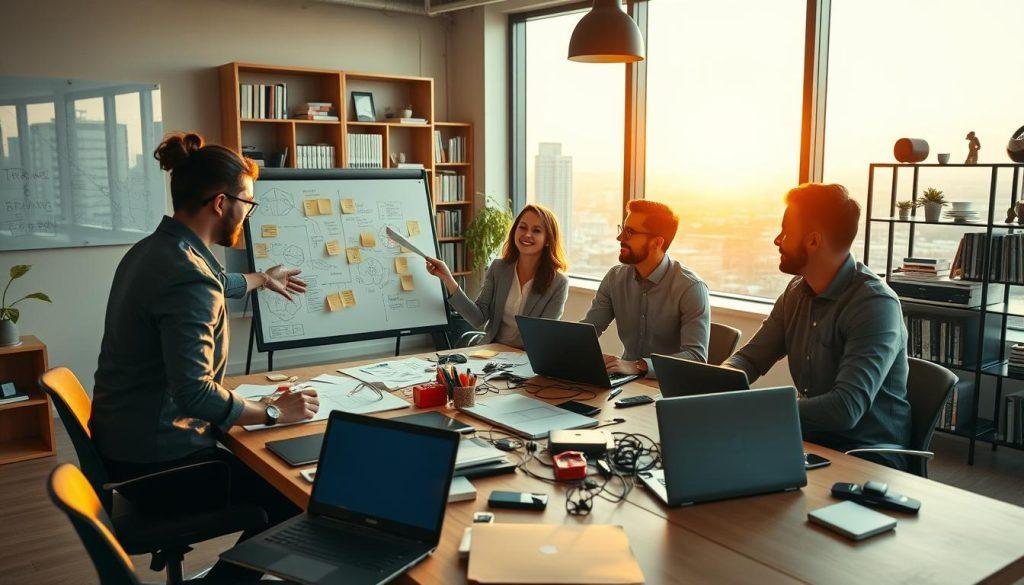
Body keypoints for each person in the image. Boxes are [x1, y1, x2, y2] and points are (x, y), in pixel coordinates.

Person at [90, 132, 318, 578]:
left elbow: (211, 284)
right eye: (247, 203)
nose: (248, 214)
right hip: (158, 469)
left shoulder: (155, 251)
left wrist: (260, 279)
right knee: (295, 495)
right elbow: (194, 393)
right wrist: (272, 411)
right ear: (220, 203)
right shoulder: (187, 277)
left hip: (126, 448)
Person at [723, 183, 912, 471]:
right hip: (809, 442)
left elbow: (845, 408)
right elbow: (750, 358)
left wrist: (754, 409)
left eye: (785, 232)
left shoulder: (875, 305)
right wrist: (718, 381)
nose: (777, 240)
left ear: (813, 241)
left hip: (865, 456)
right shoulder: (796, 291)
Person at [582, 200, 709, 379]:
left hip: (668, 386)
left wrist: (638, 365)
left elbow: (696, 358)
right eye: (623, 229)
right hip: (623, 381)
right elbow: (589, 329)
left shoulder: (691, 288)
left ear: (656, 243)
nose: (620, 238)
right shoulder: (615, 278)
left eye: (630, 232)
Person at [425, 203, 569, 347]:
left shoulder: (558, 283)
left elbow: (545, 336)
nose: (527, 234)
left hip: (528, 358)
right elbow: (478, 318)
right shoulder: (499, 268)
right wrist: (447, 278)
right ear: (514, 231)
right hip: (492, 353)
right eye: (522, 227)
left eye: (536, 230)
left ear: (548, 240)